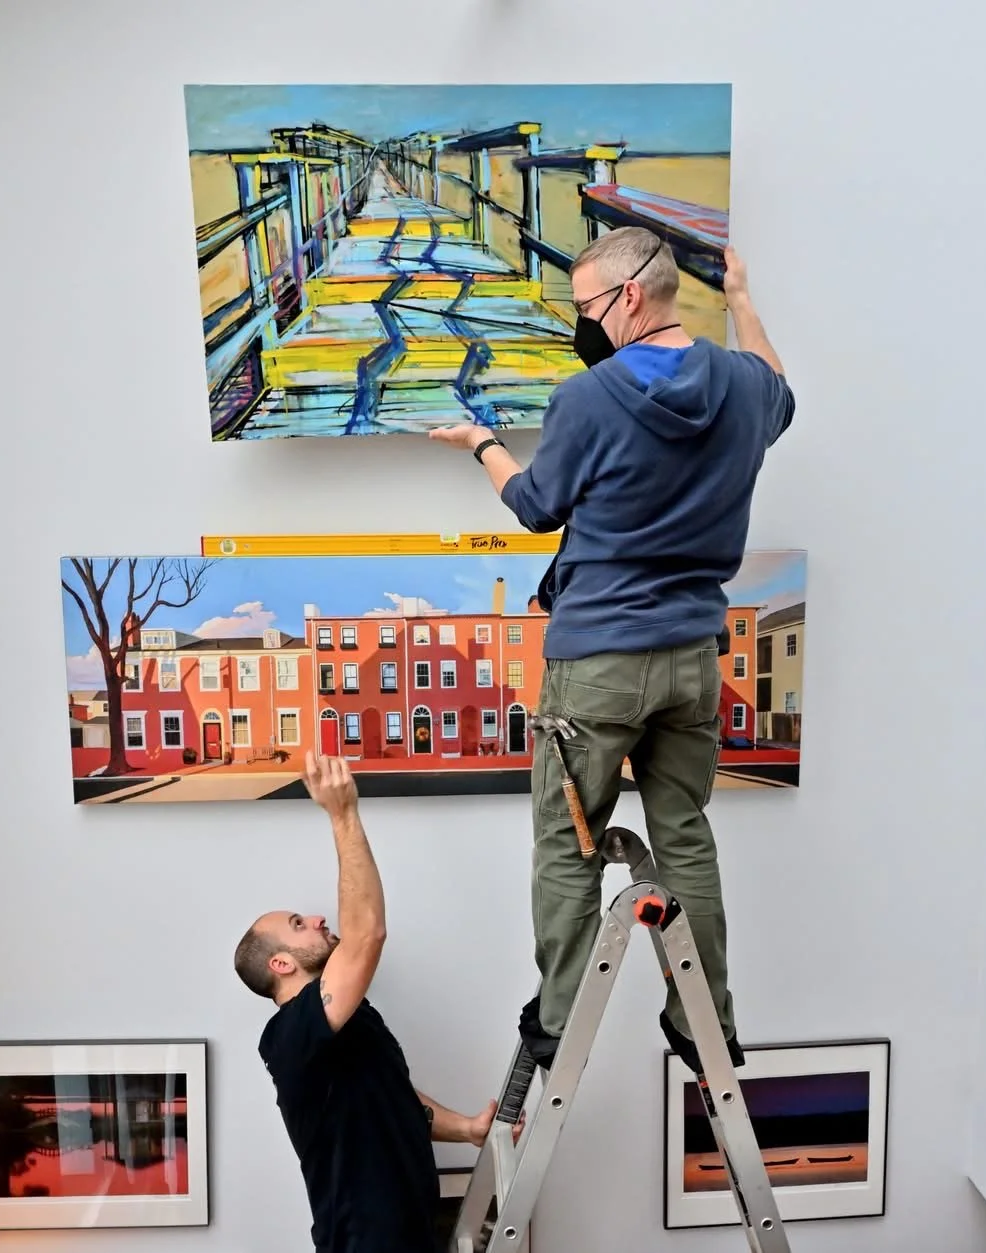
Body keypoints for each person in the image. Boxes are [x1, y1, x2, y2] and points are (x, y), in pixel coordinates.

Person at [428, 228, 795, 1076]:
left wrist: (480, 444)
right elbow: (781, 385)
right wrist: (741, 299)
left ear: (630, 295)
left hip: (596, 662)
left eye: (587, 305)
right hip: (692, 656)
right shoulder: (742, 386)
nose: (582, 323)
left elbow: (534, 505)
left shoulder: (588, 399)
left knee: (569, 844)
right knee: (686, 839)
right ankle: (710, 1024)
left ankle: (556, 1020)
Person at [234, 751, 516, 1253]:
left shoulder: (350, 1020)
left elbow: (393, 1099)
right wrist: (342, 814)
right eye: (298, 924)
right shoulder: (288, 1037)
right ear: (281, 964)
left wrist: (468, 1128)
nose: (318, 919)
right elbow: (367, 934)